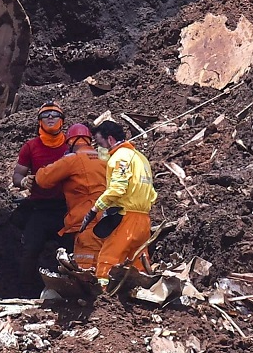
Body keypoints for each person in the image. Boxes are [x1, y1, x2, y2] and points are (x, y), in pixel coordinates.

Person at [80, 120, 158, 287]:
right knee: (137, 262)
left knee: (108, 259)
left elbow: (117, 188)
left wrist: (95, 208)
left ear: (110, 140)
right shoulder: (140, 158)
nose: (100, 149)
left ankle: (103, 297)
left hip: (127, 218)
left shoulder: (120, 157)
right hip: (144, 220)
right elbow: (151, 192)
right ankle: (140, 296)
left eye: (100, 144)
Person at [24, 123, 107, 271]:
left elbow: (44, 179)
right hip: (109, 219)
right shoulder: (104, 160)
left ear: (70, 141)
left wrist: (35, 175)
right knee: (105, 266)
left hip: (87, 221)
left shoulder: (73, 160)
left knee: (86, 272)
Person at [10, 101, 72, 294]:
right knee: (30, 250)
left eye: (55, 115)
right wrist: (23, 182)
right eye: (46, 115)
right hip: (40, 208)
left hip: (66, 208)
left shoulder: (71, 144)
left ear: (62, 121)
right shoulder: (31, 146)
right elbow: (17, 175)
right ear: (39, 122)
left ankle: (72, 288)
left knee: (71, 251)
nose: (51, 118)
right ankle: (26, 292)